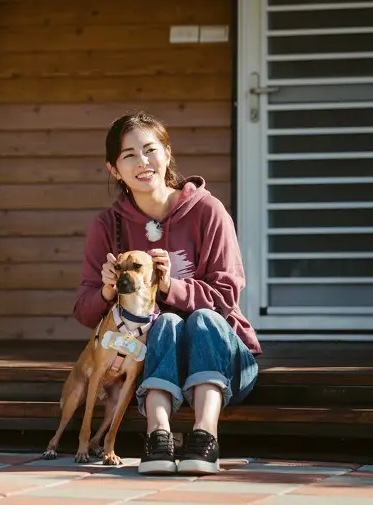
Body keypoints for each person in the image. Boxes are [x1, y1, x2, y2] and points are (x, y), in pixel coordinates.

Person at [73, 112, 262, 476]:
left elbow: (225, 296)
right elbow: (84, 311)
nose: (142, 163)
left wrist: (169, 286)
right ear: (114, 169)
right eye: (128, 155)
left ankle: (205, 436)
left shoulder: (208, 211)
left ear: (167, 153)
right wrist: (108, 291)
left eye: (150, 150)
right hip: (154, 366)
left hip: (227, 363)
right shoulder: (106, 227)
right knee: (168, 322)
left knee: (202, 318)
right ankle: (158, 437)